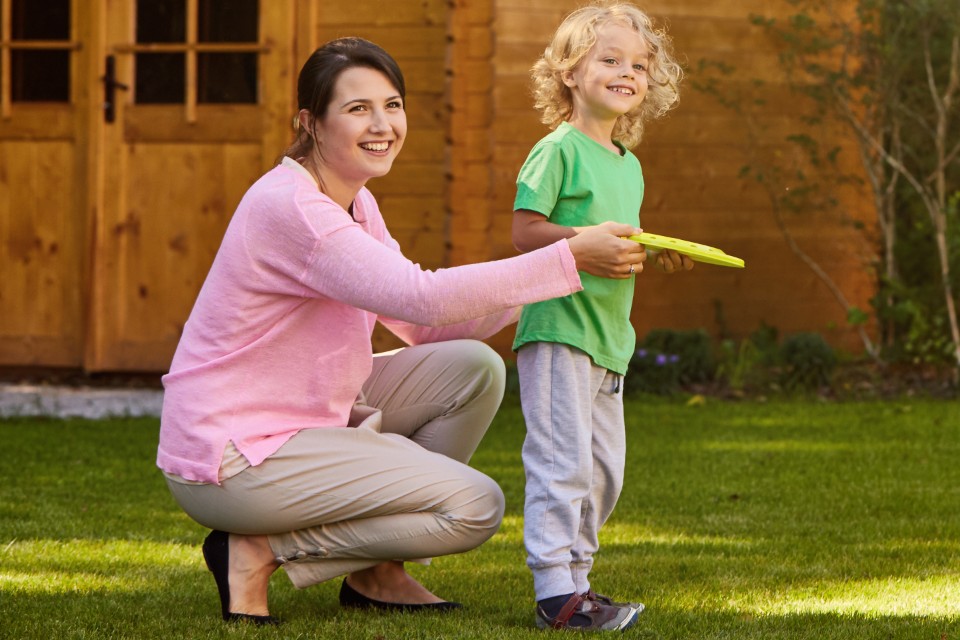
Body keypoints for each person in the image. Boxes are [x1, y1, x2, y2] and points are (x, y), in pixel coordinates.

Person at [156, 36, 647, 625]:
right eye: (358, 108)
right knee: (474, 506)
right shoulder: (292, 207)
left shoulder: (355, 202)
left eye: (392, 105)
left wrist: (562, 277)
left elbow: (417, 322)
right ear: (310, 123)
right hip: (235, 454)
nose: (383, 124)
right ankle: (258, 550)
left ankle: (375, 572)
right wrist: (567, 256)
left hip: (304, 418)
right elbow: (422, 295)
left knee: (474, 369)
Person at [510, 3, 691, 632]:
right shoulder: (556, 150)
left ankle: (579, 582)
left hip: (610, 340)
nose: (628, 72)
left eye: (639, 65)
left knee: (604, 471)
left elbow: (619, 243)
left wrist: (655, 252)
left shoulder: (627, 164)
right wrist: (582, 241)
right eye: (610, 59)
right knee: (563, 462)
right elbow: (524, 231)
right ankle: (554, 589)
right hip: (560, 331)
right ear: (568, 70)